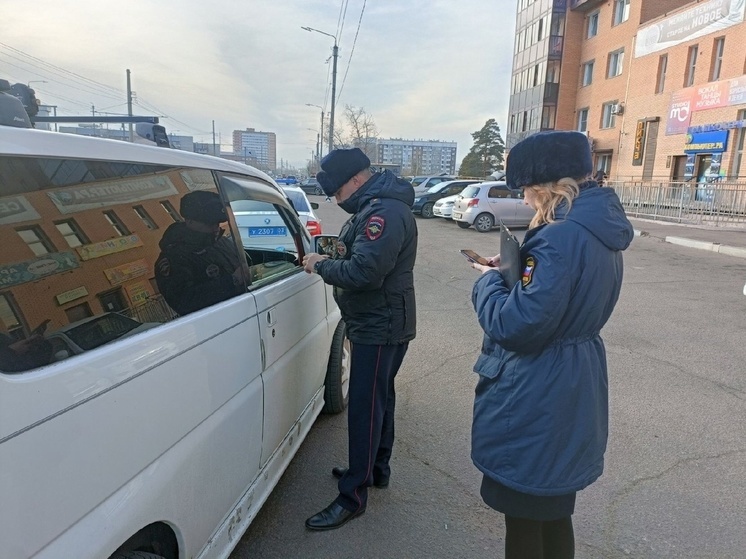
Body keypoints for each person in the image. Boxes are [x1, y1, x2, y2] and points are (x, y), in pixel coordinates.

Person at [468, 131, 633, 559]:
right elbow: (559, 299)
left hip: (539, 392)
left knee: (524, 518)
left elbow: (518, 325)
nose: (524, 201)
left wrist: (487, 283)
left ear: (545, 187)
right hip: (573, 383)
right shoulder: (594, 229)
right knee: (553, 513)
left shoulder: (558, 238)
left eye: (525, 190)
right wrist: (513, 271)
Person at [302, 148, 417, 531]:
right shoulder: (376, 206)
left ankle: (353, 495)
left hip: (379, 325)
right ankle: (374, 469)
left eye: (337, 193)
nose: (337, 200)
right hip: (379, 321)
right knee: (380, 397)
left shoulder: (383, 212)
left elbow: (366, 271)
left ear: (355, 180)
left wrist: (322, 265)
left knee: (366, 408)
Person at [155, 190, 246, 316]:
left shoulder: (221, 242)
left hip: (245, 311)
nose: (216, 228)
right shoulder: (174, 257)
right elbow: (184, 301)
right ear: (190, 221)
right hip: (218, 324)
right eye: (210, 223)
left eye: (218, 223)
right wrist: (233, 281)